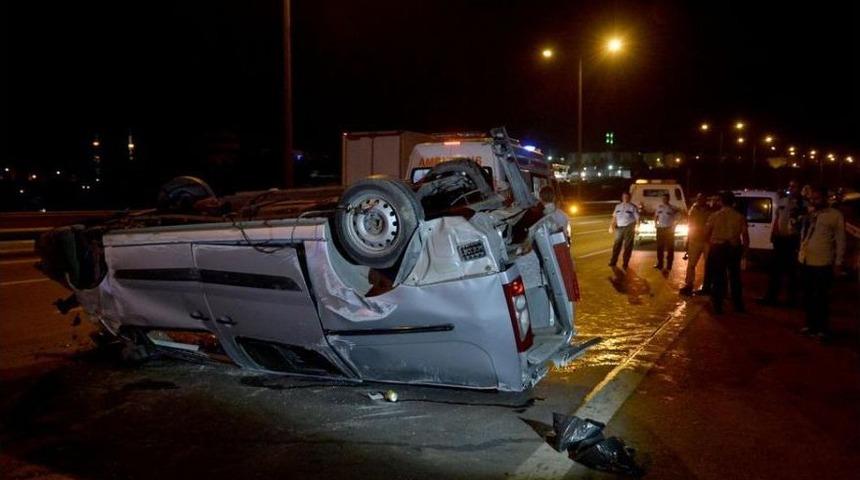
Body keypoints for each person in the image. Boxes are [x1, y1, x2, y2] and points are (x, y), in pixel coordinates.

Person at [798, 186, 846, 340]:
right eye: (812, 198)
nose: (813, 201)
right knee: (808, 295)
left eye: (817, 198)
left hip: (823, 261)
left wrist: (838, 262)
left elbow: (840, 240)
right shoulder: (811, 214)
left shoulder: (835, 215)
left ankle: (822, 328)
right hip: (806, 259)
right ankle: (810, 325)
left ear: (825, 198)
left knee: (821, 297)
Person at [759, 180, 804, 306]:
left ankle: (792, 299)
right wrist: (773, 234)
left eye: (794, 186)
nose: (791, 188)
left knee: (792, 272)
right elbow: (777, 218)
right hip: (780, 240)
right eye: (790, 186)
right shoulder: (783, 201)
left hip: (793, 240)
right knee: (775, 270)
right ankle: (771, 297)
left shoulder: (803, 204)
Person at [705, 191, 749, 314]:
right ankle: (738, 305)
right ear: (733, 202)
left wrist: (711, 242)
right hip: (733, 248)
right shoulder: (739, 217)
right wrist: (745, 251)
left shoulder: (714, 216)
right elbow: (745, 236)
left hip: (718, 248)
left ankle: (718, 305)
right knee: (735, 276)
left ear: (721, 202)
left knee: (718, 277)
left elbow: (706, 232)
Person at [680, 193, 710, 295]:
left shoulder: (711, 211)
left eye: (702, 199)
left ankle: (707, 286)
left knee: (709, 265)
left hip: (707, 241)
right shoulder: (693, 210)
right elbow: (690, 225)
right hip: (695, 240)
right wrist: (687, 241)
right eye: (698, 199)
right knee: (691, 265)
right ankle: (689, 285)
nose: (700, 200)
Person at [609, 191, 639, 270]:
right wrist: (611, 226)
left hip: (629, 227)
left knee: (628, 246)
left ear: (629, 198)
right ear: (622, 198)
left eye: (627, 197)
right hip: (619, 228)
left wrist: (637, 227)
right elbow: (614, 217)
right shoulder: (618, 206)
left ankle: (625, 263)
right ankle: (613, 261)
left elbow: (637, 218)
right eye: (624, 197)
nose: (625, 198)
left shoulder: (632, 207)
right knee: (616, 245)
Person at [653, 193, 679, 270]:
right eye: (663, 198)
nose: (664, 200)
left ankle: (669, 265)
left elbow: (678, 217)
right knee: (659, 247)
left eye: (666, 198)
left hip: (669, 229)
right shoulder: (659, 207)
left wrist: (674, 226)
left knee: (670, 248)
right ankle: (660, 264)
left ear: (668, 199)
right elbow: (655, 216)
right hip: (660, 229)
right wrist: (655, 224)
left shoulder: (672, 208)